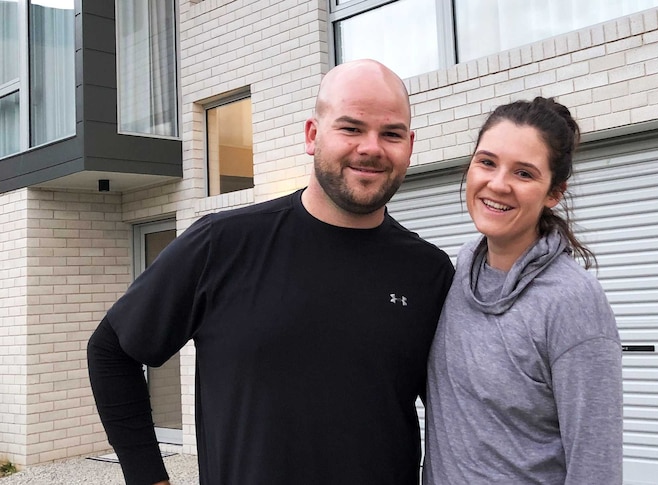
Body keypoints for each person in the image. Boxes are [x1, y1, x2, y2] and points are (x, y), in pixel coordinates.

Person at [87, 59, 454, 485]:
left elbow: (459, 412)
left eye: (390, 133)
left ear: (409, 144)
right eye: (351, 128)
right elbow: (112, 350)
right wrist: (148, 476)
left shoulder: (428, 271)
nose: (371, 147)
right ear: (313, 135)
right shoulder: (222, 243)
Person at [423, 97, 623, 484]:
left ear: (554, 193)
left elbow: (595, 465)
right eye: (487, 162)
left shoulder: (571, 300)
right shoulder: (461, 269)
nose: (498, 184)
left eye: (524, 173)